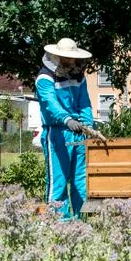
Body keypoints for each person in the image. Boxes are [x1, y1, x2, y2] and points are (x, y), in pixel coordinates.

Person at [35, 38, 93, 219]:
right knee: (59, 181)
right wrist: (67, 119)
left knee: (80, 181)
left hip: (79, 133)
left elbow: (84, 103)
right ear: (57, 56)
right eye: (66, 58)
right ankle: (59, 223)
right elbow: (50, 104)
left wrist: (88, 125)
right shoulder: (45, 78)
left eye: (71, 58)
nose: (70, 61)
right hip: (57, 133)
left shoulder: (78, 76)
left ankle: (81, 221)